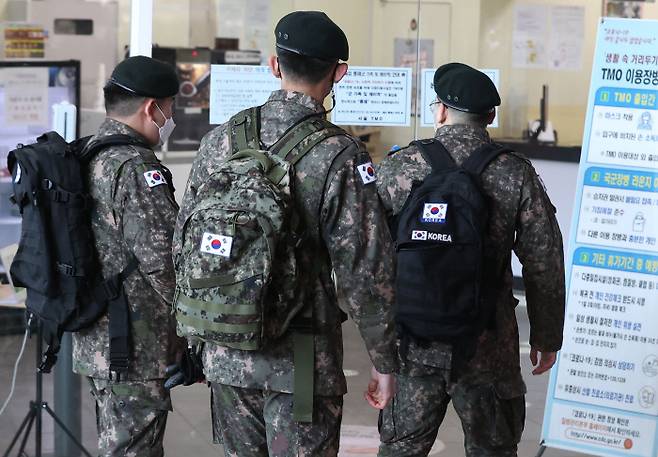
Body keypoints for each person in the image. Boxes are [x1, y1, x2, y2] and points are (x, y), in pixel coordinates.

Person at [174, 11, 398, 457]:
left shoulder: (221, 141)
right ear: (339, 73)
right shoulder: (340, 155)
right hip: (301, 362)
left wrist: (195, 339)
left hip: (225, 348)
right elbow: (365, 274)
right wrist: (384, 361)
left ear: (275, 65)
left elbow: (185, 242)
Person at [375, 63, 566, 456]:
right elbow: (544, 260)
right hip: (488, 345)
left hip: (412, 343)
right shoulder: (515, 173)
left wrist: (377, 343)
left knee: (402, 448)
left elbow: (368, 259)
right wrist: (546, 336)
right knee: (492, 449)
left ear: (440, 111)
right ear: (490, 117)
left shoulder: (400, 167)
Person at [72, 55, 183, 457]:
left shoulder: (87, 154)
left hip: (99, 337)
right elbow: (165, 261)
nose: (172, 119)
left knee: (118, 444)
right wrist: (200, 329)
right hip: (134, 345)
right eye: (171, 109)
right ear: (152, 108)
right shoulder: (133, 166)